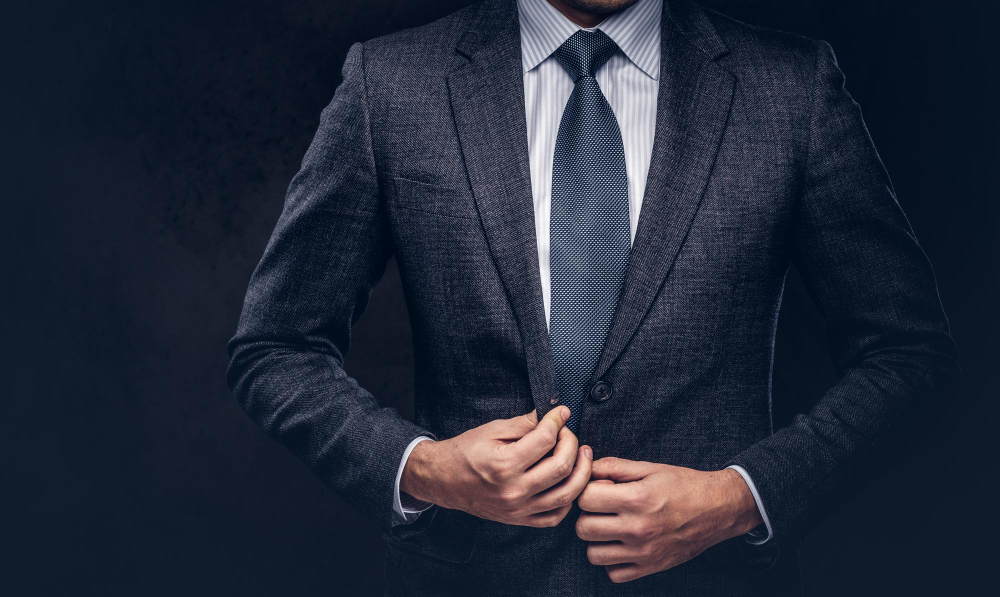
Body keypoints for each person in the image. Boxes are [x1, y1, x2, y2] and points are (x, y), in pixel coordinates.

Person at [226, 0, 960, 594]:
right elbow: (275, 347)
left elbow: (909, 354)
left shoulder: (790, 89)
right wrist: (423, 467)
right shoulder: (392, 84)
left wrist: (740, 498)